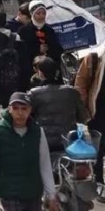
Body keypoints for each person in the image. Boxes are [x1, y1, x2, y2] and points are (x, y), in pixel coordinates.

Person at [0, 92, 59, 211]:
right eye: (16, 108)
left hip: (34, 194)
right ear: (9, 109)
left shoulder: (38, 132)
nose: (20, 113)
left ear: (30, 110)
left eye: (24, 108)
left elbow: (45, 165)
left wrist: (51, 195)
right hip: (10, 195)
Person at [28, 56, 87, 153]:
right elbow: (83, 117)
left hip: (45, 143)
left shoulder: (34, 94)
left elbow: (27, 119)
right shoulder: (72, 92)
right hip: (70, 141)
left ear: (40, 73)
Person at [74, 42, 105, 186]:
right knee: (99, 147)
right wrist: (85, 110)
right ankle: (97, 179)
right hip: (98, 112)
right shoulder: (94, 58)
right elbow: (80, 85)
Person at [17, 0, 63, 77]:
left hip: (49, 70)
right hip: (31, 71)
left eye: (44, 13)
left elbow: (58, 50)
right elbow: (21, 51)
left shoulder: (49, 30)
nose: (42, 16)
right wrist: (37, 49)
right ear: (32, 14)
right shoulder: (23, 31)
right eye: (38, 13)